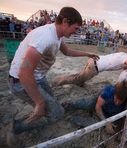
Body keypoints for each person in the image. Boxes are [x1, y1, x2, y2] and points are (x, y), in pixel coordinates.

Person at [7, 7, 99, 139]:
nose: (76, 32)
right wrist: (39, 102)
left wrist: (87, 54)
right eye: (76, 28)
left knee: (50, 101)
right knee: (56, 112)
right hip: (20, 81)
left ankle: (40, 111)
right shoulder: (45, 37)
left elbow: (66, 51)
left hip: (38, 77)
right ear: (65, 22)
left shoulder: (57, 33)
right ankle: (15, 128)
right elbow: (24, 73)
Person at [53, 48, 127, 86]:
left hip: (94, 61)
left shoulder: (122, 56)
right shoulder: (124, 58)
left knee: (81, 76)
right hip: (95, 67)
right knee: (77, 79)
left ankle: (79, 82)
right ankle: (58, 81)